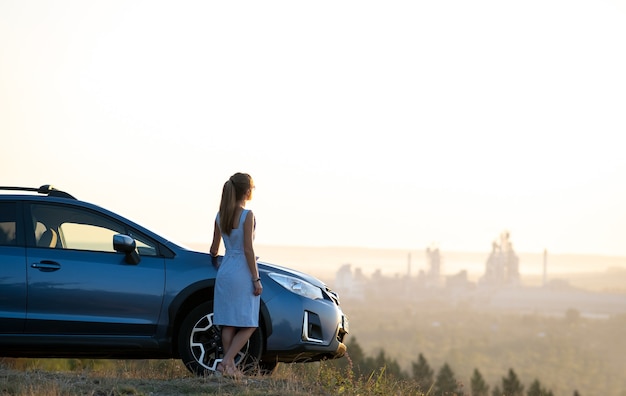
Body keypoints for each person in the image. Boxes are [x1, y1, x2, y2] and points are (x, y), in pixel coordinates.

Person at [209, 172, 262, 377]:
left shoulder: (219, 215)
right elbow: (248, 250)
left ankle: (230, 368)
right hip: (242, 272)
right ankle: (226, 363)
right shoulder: (247, 216)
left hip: (225, 270)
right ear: (247, 191)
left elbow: (214, 249)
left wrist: (216, 257)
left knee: (228, 322)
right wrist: (256, 278)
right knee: (250, 322)